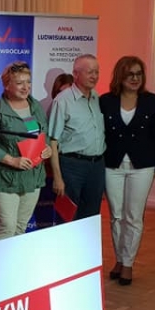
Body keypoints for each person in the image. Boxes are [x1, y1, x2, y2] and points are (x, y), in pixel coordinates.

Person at [100, 56, 155, 286]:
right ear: (120, 76)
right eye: (130, 74)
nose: (135, 78)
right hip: (112, 165)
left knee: (134, 216)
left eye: (139, 74)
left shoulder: (151, 100)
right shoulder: (105, 101)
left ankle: (128, 263)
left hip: (143, 165)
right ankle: (119, 259)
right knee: (116, 216)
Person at [0, 61, 52, 241]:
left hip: (32, 177)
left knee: (20, 227)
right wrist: (12, 160)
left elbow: (43, 135)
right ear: (7, 85)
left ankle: (14, 260)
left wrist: (47, 148)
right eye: (20, 83)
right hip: (6, 178)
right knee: (7, 227)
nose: (26, 87)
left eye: (28, 82)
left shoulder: (35, 107)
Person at [47, 54, 106, 220]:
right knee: (67, 217)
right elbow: (52, 141)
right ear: (76, 74)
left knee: (91, 217)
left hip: (96, 166)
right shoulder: (62, 101)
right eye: (89, 72)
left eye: (96, 72)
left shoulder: (97, 98)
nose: (94, 76)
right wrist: (57, 177)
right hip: (72, 166)